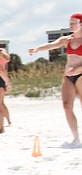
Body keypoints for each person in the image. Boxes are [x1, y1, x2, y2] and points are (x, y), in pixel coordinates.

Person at [28, 12, 82, 146]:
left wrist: (77, 69)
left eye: (73, 23)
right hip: (68, 76)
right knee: (67, 106)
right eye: (70, 22)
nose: (70, 25)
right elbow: (51, 45)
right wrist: (36, 49)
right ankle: (76, 137)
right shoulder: (67, 39)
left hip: (80, 74)